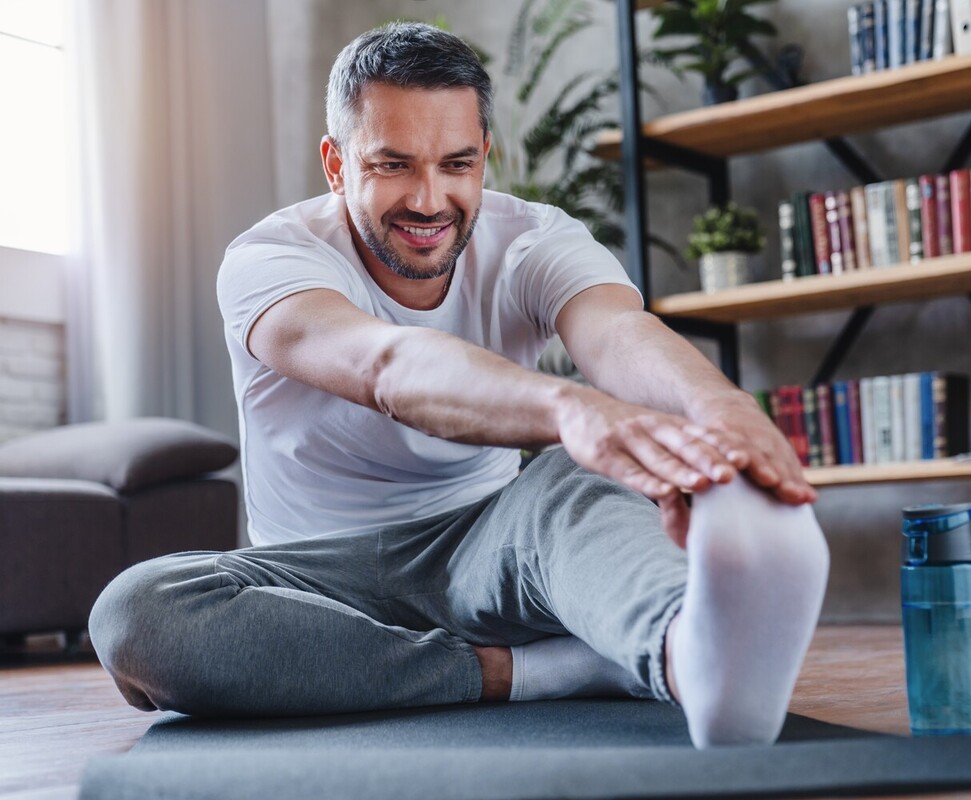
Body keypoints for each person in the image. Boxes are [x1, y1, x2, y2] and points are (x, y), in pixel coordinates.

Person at [89, 21, 829, 749]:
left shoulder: (535, 239)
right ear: (336, 165)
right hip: (316, 584)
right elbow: (388, 368)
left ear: (485, 160)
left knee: (580, 478)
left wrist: (722, 409)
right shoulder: (270, 260)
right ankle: (544, 671)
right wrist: (569, 407)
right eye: (392, 165)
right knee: (136, 614)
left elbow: (614, 333)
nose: (429, 200)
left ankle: (686, 652)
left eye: (456, 164)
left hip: (494, 552)